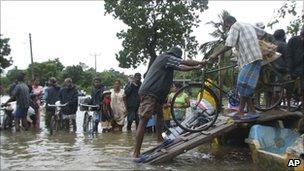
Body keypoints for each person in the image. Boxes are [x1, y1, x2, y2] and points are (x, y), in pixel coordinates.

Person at [133, 46, 206, 159]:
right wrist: (200, 62)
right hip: (150, 93)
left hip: (157, 95)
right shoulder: (165, 57)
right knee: (144, 120)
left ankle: (159, 139)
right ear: (174, 55)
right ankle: (136, 153)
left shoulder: (166, 61)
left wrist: (195, 67)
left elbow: (181, 67)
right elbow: (183, 62)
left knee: (160, 117)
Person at [209, 16, 266, 117]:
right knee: (244, 85)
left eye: (226, 26)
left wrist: (215, 54)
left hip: (251, 58)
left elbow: (229, 44)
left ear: (228, 23)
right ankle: (250, 111)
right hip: (252, 57)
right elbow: (262, 33)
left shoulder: (235, 26)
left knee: (242, 83)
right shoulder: (247, 24)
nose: (227, 28)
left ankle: (242, 111)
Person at [286, 26, 304, 112]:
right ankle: (288, 107)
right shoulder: (293, 40)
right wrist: (289, 70)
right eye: (302, 37)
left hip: (302, 68)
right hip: (293, 67)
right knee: (289, 86)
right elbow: (289, 55)